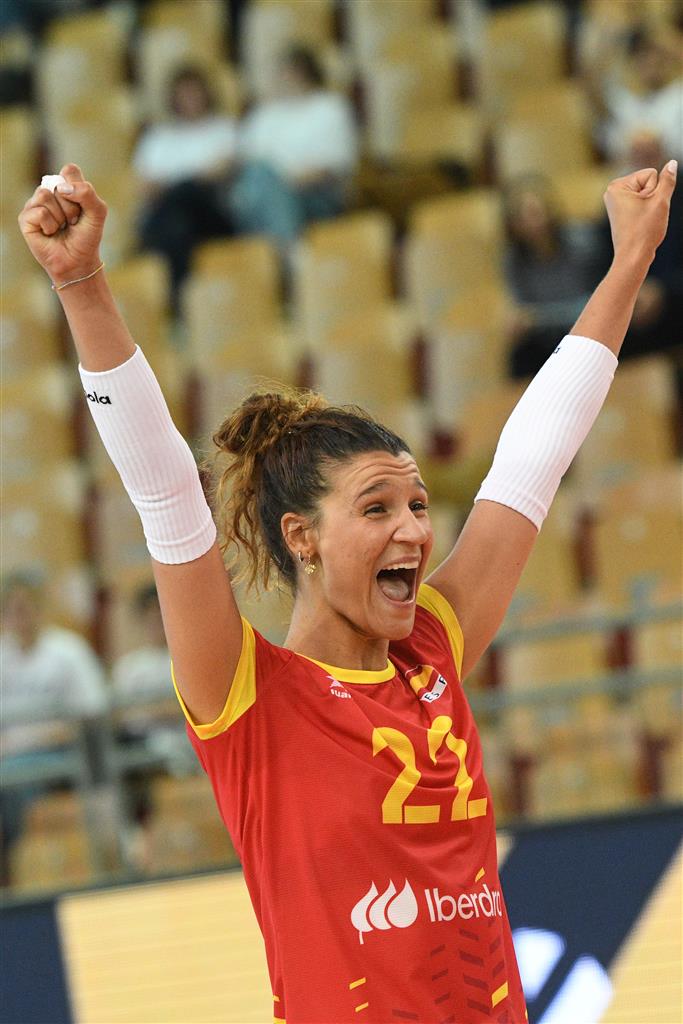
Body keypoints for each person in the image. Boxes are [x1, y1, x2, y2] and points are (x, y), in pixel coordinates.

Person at [18, 157, 676, 1021]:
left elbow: (533, 457)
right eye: (376, 508)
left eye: (416, 504)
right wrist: (82, 285)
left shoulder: (431, 645)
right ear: (302, 538)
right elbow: (167, 493)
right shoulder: (247, 698)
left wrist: (627, 265)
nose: (413, 529)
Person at [0, 570, 107, 869]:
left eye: (25, 607)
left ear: (40, 608)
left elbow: (91, 712)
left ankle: (20, 860)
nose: (20, 616)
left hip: (62, 752)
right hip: (10, 755)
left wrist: (43, 737)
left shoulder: (68, 651)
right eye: (11, 609)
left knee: (17, 779)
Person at [227, 45, 358, 249]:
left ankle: (285, 253)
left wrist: (279, 187)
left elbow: (332, 168)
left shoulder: (330, 106)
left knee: (266, 188)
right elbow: (246, 166)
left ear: (303, 72)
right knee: (250, 187)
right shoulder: (263, 114)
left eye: (286, 71)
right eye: (278, 72)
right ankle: (279, 254)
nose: (280, 78)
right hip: (262, 197)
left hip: (315, 195)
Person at [132, 64, 237, 311]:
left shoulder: (223, 128)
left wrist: (177, 183)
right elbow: (145, 187)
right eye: (184, 94)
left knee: (186, 192)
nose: (190, 99)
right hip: (172, 218)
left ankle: (176, 302)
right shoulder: (158, 138)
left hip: (210, 214)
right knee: (176, 225)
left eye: (194, 92)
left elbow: (221, 171)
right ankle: (182, 299)